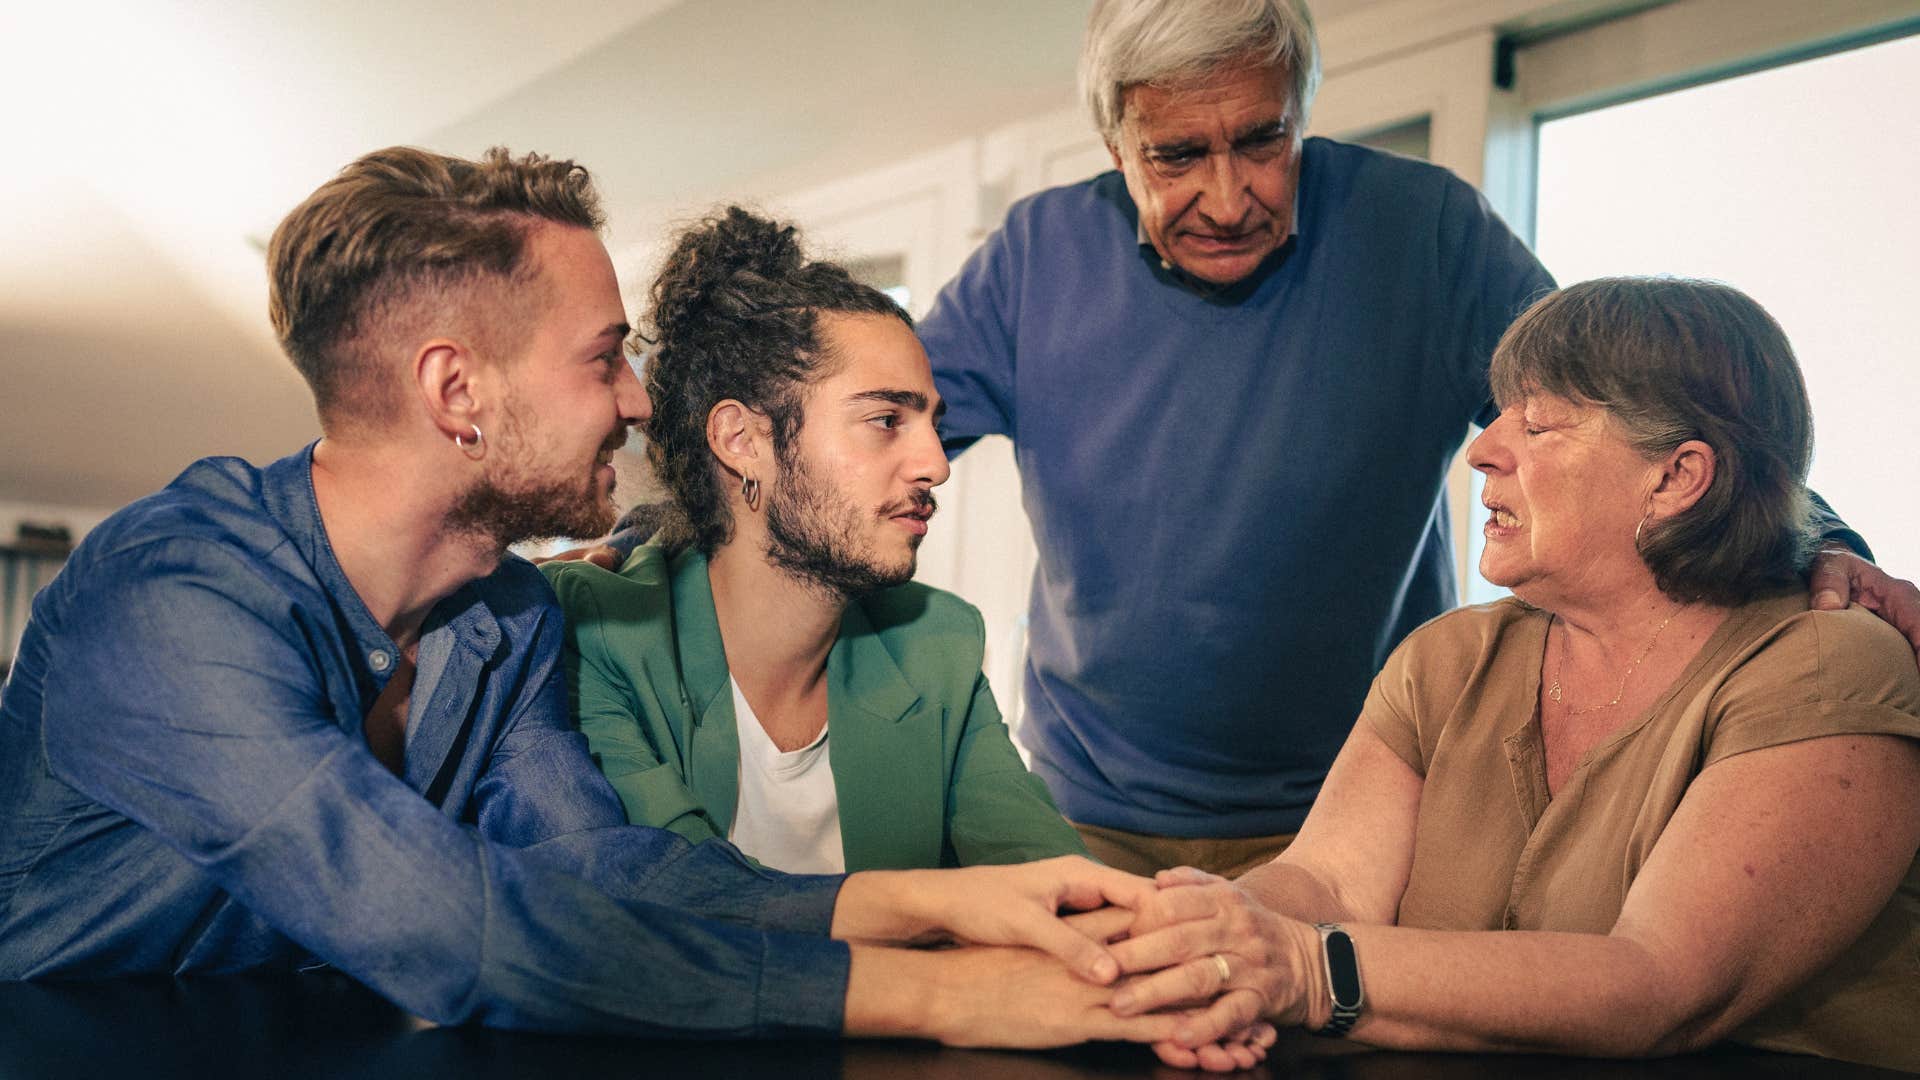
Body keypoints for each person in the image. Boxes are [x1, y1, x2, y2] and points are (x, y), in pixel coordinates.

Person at [0, 144, 1270, 1063]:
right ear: (459, 393)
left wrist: (929, 902)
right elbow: (448, 929)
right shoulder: (170, 598)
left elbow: (607, 867)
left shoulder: (504, 619)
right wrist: (934, 996)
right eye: (605, 357)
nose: (634, 401)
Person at [914, 0, 1920, 878]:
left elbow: (1636, 423)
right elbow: (876, 434)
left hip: (1366, 799)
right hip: (1086, 806)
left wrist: (1819, 543)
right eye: (1176, 156)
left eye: (1263, 141)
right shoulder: (1032, 259)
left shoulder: (1425, 234)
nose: (1228, 199)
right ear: (1114, 143)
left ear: (1300, 112)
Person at [1094, 278, 1920, 1072]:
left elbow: (1657, 985)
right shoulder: (1448, 659)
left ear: (1676, 478)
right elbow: (1329, 884)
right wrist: (1186, 935)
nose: (1482, 450)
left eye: (1538, 427)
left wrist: (1309, 970)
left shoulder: (1827, 668)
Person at [541, 207, 1086, 873]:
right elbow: (682, 910)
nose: (937, 465)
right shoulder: (595, 631)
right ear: (743, 441)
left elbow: (1046, 877)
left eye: (930, 423)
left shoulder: (936, 642)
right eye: (886, 419)